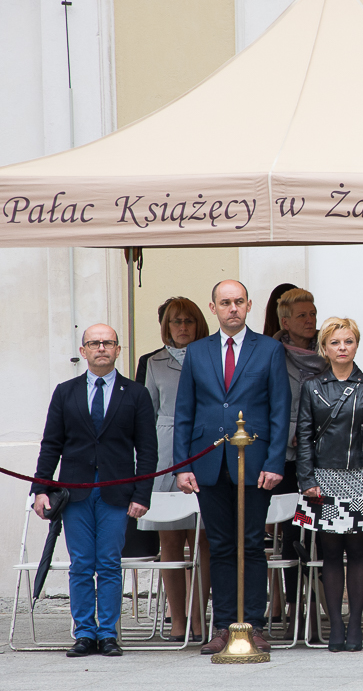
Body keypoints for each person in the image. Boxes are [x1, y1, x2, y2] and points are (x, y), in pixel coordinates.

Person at [173, 279, 290, 655]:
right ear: (214, 308)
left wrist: (275, 461)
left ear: (249, 305)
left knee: (252, 544)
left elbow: (280, 409)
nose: (233, 308)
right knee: (220, 545)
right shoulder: (197, 351)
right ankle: (224, 626)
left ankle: (253, 626)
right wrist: (182, 466)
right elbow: (184, 411)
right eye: (225, 303)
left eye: (239, 301)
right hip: (208, 462)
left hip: (255, 463)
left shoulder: (269, 349)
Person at [32, 325, 157, 657]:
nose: (101, 348)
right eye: (94, 343)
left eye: (108, 343)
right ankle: (85, 633)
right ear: (83, 351)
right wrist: (40, 488)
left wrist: (142, 495)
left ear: (117, 350)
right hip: (76, 493)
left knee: (110, 563)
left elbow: (147, 450)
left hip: (116, 493)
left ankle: (108, 634)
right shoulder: (65, 392)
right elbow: (51, 444)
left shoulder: (136, 393)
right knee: (81, 564)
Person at [294, 317, 363, 651]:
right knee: (330, 553)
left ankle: (356, 626)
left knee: (358, 552)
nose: (342, 348)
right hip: (324, 479)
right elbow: (304, 436)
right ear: (324, 348)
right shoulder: (312, 386)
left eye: (348, 341)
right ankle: (336, 625)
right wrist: (307, 479)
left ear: (357, 345)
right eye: (335, 342)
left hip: (361, 477)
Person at [139, 297, 211, 642]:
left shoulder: (211, 356)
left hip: (205, 445)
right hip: (165, 450)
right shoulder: (154, 362)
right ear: (166, 326)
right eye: (175, 321)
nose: (182, 327)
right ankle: (178, 620)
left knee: (204, 539)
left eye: (188, 321)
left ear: (199, 324)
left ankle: (200, 619)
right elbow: (146, 415)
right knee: (169, 539)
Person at [272, 287, 325, 624]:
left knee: (323, 533)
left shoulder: (330, 349)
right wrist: (292, 431)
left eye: (313, 314)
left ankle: (321, 604)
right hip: (287, 457)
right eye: (302, 315)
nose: (310, 320)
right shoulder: (271, 354)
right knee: (293, 532)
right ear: (285, 322)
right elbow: (265, 404)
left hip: (324, 458)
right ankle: (294, 604)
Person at [135, 297, 179, 384]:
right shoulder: (148, 361)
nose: (183, 327)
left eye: (188, 321)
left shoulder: (205, 356)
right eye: (177, 322)